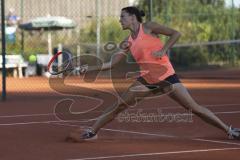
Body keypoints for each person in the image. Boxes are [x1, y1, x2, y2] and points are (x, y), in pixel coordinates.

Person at [67, 6, 240, 142]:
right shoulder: (127, 42)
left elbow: (175, 34)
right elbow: (111, 64)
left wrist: (164, 49)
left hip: (167, 78)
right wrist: (87, 69)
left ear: (133, 17)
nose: (120, 20)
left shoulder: (148, 27)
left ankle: (230, 130)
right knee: (119, 105)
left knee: (195, 108)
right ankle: (92, 131)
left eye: (122, 16)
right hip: (146, 80)